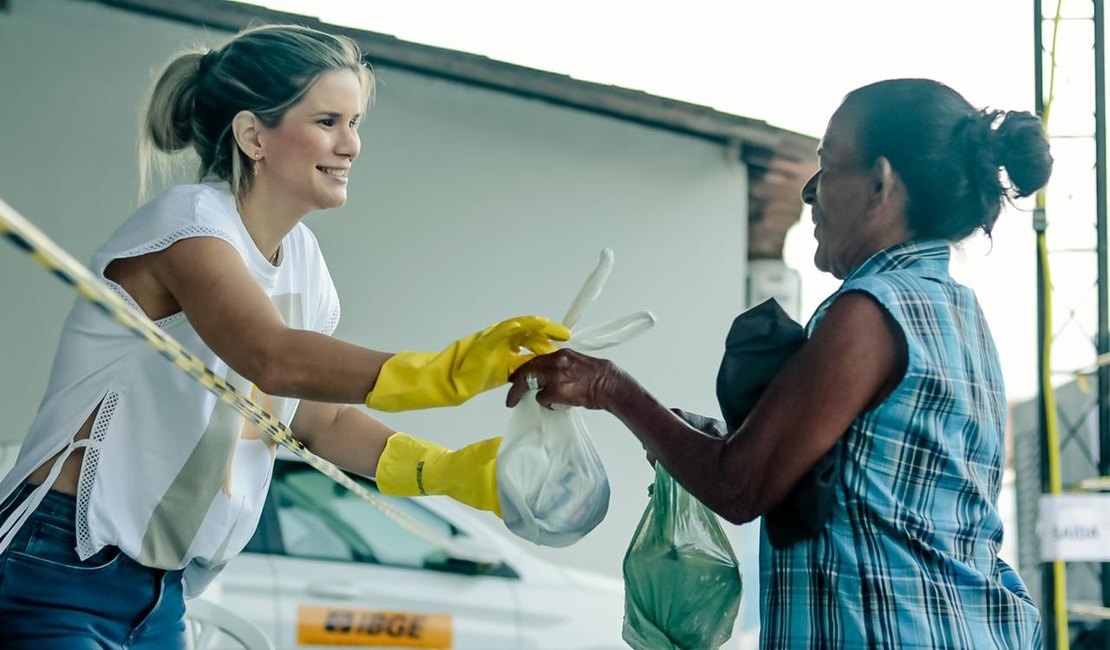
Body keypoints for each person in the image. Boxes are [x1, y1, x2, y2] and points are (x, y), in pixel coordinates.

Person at [0, 24, 568, 649]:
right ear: (253, 136)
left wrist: (447, 470)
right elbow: (272, 358)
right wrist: (449, 372)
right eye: (328, 120)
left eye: (355, 123)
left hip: (161, 589)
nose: (351, 145)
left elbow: (315, 421)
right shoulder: (190, 224)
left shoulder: (305, 263)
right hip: (57, 560)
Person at [508, 78, 1053, 648]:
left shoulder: (871, 311)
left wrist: (607, 385)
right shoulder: (959, 313)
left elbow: (740, 486)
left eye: (828, 166)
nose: (810, 192)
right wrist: (715, 438)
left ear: (879, 185)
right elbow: (870, 487)